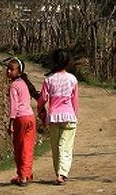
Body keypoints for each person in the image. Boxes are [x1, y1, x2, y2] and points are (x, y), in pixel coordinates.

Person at [37, 48, 79, 186]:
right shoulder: (72, 79)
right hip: (69, 117)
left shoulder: (49, 80)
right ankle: (62, 173)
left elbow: (42, 99)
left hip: (54, 117)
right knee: (66, 146)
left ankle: (58, 173)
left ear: (54, 62)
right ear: (68, 63)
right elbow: (75, 101)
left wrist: (40, 110)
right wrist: (75, 115)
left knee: (55, 147)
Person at [5, 57, 38, 186]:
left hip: (20, 119)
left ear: (18, 72)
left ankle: (22, 176)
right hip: (30, 117)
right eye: (8, 68)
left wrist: (11, 122)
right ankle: (27, 174)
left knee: (19, 148)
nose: (8, 71)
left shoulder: (13, 86)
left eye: (11, 69)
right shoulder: (24, 84)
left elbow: (14, 106)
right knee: (28, 147)